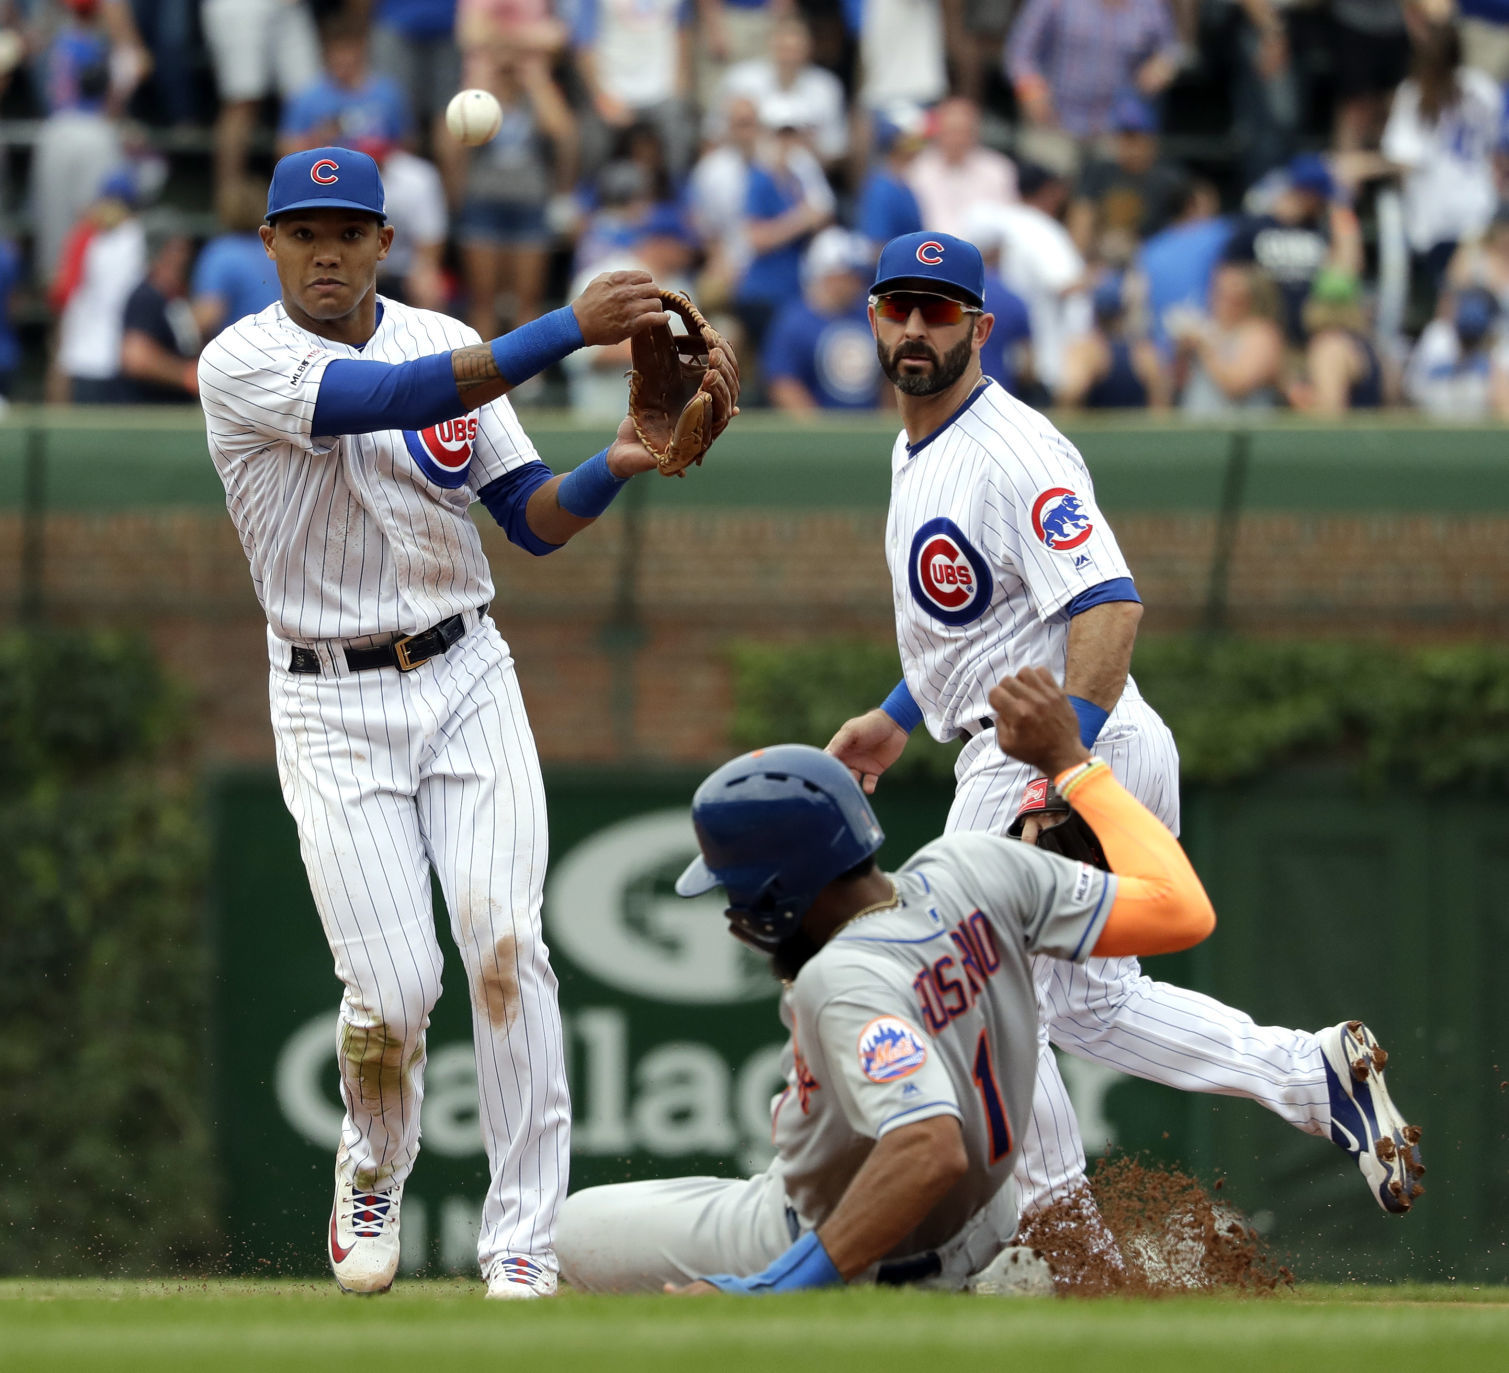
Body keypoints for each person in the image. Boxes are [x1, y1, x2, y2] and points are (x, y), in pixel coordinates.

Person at [821, 231, 1424, 1269]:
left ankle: (1067, 1240)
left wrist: (1068, 768)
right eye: (897, 307)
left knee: (973, 995)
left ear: (980, 326)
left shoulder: (1014, 451)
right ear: (874, 317)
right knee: (1090, 1004)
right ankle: (1307, 1074)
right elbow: (972, 623)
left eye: (937, 309)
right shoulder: (915, 444)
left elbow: (1109, 603)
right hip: (1046, 740)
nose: (915, 327)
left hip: (1063, 739)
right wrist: (897, 713)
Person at [197, 146, 738, 1299]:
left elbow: (530, 522)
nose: (326, 249)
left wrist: (620, 460)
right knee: (394, 992)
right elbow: (393, 400)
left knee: (506, 946)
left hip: (464, 672)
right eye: (304, 230)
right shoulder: (240, 360)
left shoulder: (439, 338)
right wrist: (566, 327)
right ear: (272, 246)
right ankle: (374, 1162)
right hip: (328, 697)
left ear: (385, 242)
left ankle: (523, 1239)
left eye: (349, 230)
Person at [555, 670, 1418, 1294]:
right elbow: (1181, 911)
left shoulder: (841, 978)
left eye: (737, 890)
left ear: (779, 894)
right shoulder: (977, 869)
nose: (735, 912)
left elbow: (926, 1147)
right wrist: (1075, 766)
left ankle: (1034, 1265)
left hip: (844, 1238)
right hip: (993, 1219)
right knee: (1092, 997)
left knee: (561, 1235)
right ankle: (1282, 1086)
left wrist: (777, 1290)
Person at [763, 227, 882, 412]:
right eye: (851, 275)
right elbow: (784, 384)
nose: (859, 282)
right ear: (829, 275)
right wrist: (820, 434)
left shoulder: (870, 315)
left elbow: (890, 380)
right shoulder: (795, 322)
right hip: (819, 433)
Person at [1172, 260, 1285, 413]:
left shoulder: (1261, 333)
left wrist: (1205, 348)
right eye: (1218, 289)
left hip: (1242, 432)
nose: (1221, 297)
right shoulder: (1210, 328)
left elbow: (1236, 386)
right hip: (1199, 429)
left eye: (1231, 290)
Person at [905, 97, 1018, 242]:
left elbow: (1006, 220)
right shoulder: (917, 171)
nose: (957, 139)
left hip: (984, 256)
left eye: (963, 132)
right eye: (951, 131)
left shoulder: (998, 168)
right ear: (938, 132)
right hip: (930, 252)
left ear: (975, 132)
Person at [1057, 273, 1168, 408]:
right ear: (1123, 313)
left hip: (1096, 427)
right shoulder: (1144, 353)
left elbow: (1070, 393)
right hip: (1135, 426)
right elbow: (1161, 405)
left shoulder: (1087, 352)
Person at [120, 230, 200, 403]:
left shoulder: (174, 296)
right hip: (150, 411)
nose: (185, 256)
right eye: (178, 249)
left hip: (176, 409)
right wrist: (186, 375)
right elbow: (136, 357)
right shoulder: (146, 296)